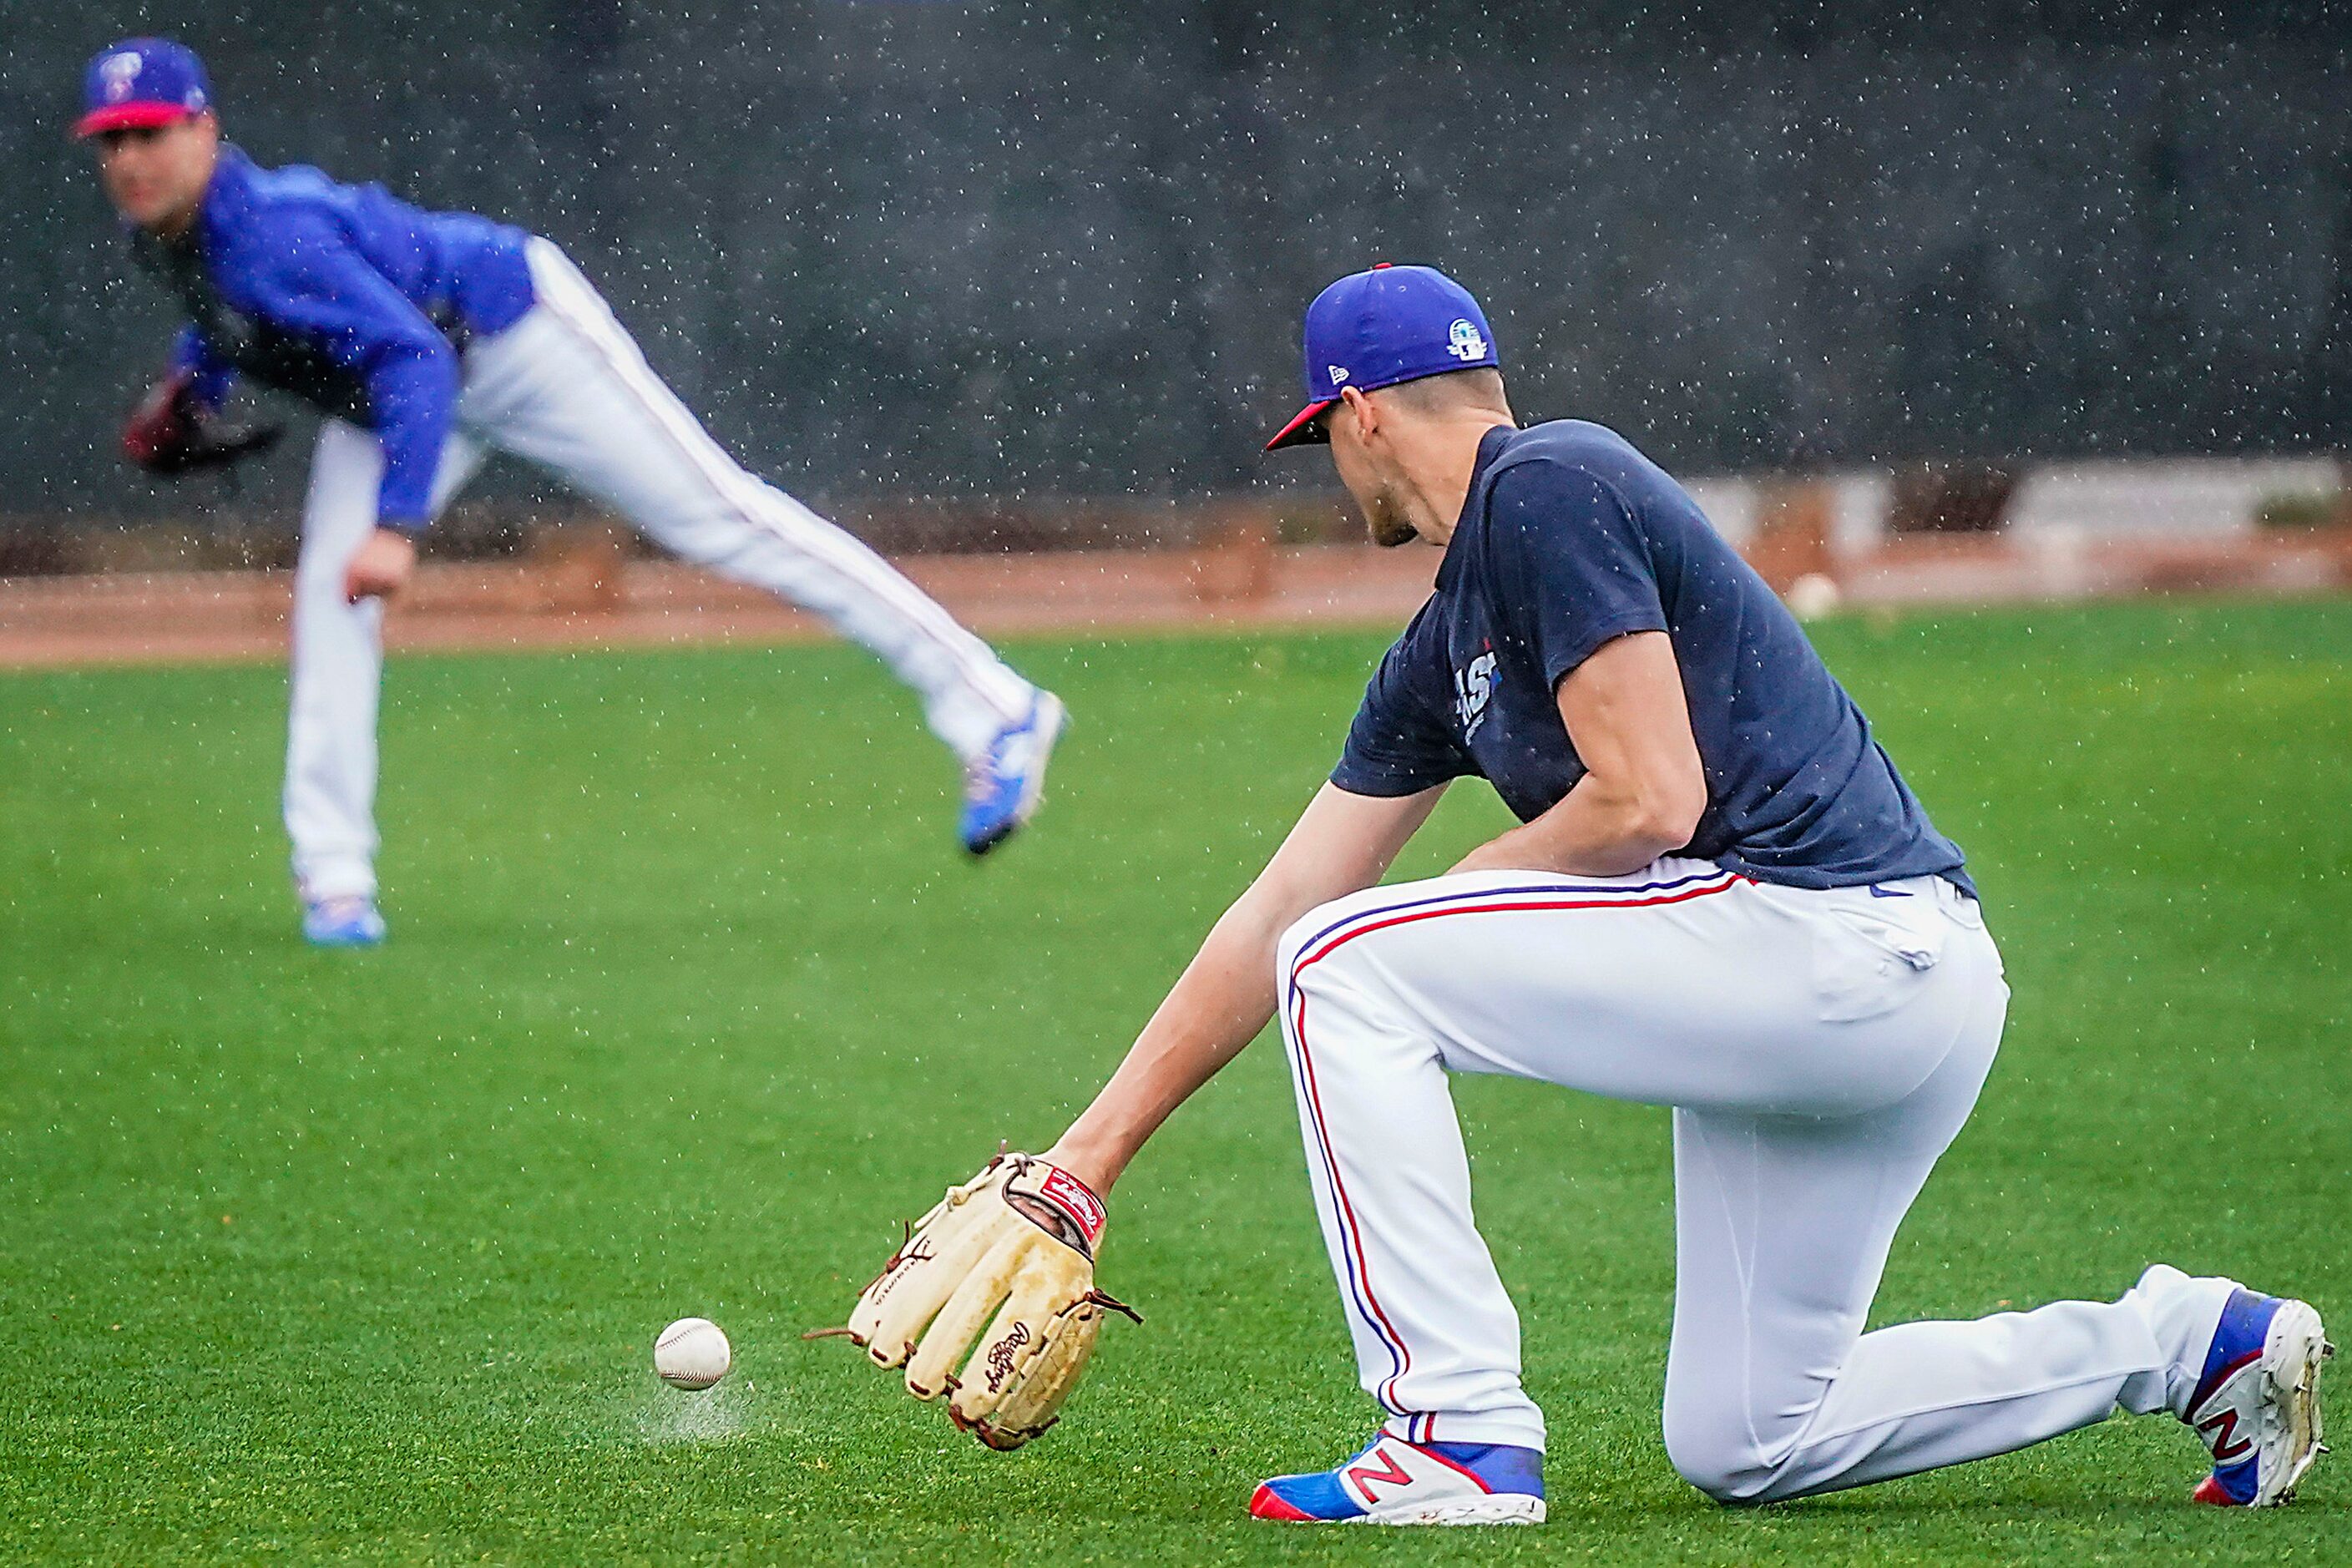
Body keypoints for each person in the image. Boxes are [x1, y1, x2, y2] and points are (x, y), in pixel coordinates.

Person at [1027, 265, 2328, 1522]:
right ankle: (2189, 1344)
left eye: (1323, 437)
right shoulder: (1441, 644)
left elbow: (1652, 798)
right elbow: (1274, 906)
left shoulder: (1541, 482)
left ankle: (1454, 1432)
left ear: (1358, 411)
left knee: (1346, 964)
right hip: (1872, 988)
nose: (1333, 466)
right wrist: (1086, 1161)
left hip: (1824, 937)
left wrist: (1468, 889)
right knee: (1753, 1435)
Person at [76, 38, 1063, 947]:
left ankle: (995, 708)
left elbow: (411, 357)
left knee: (724, 519)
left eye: (150, 132)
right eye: (112, 140)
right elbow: (227, 318)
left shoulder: (273, 232)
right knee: (331, 604)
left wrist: (396, 526)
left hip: (512, 339)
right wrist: (194, 388)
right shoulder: (177, 236)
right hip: (407, 390)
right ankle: (334, 882)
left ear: (204, 128)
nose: (131, 159)